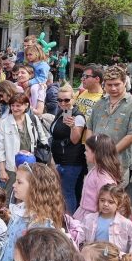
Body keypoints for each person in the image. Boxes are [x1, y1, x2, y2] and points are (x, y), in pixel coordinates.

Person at [85, 66, 132, 183]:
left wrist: (108, 153)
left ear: (124, 83)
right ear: (104, 84)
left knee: (113, 192)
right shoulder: (100, 103)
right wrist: (90, 148)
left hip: (118, 161)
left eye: (117, 84)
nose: (113, 88)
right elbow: (90, 127)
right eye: (109, 85)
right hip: (95, 159)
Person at [0, 94, 41, 195]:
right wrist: (2, 170)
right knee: (10, 194)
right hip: (12, 167)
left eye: (18, 106)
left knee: (29, 194)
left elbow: (42, 139)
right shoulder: (4, 123)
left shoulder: (33, 119)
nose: (15, 108)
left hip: (31, 166)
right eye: (12, 105)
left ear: (26, 105)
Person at [50, 84, 86, 214]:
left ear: (73, 99)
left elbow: (75, 140)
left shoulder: (78, 117)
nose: (63, 103)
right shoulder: (61, 112)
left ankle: (69, 219)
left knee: (67, 192)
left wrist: (73, 127)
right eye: (59, 100)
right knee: (61, 192)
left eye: (66, 100)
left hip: (71, 162)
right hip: (60, 160)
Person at [82, 184, 132, 258]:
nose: (105, 204)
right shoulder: (89, 219)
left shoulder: (125, 223)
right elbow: (81, 236)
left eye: (110, 202)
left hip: (116, 259)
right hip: (93, 258)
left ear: (119, 204)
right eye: (102, 200)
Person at [74, 134, 121, 222]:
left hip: (93, 217)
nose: (84, 153)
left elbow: (108, 202)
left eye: (87, 150)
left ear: (96, 153)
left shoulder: (103, 177)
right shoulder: (96, 170)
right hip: (85, 213)